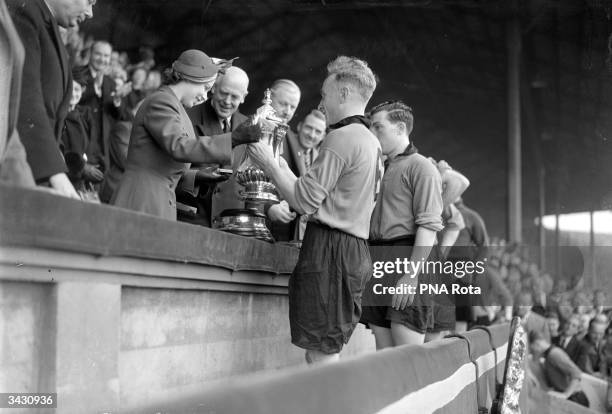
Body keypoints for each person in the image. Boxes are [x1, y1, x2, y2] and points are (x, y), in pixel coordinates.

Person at [247, 56, 381, 364]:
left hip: (331, 250)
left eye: (325, 94)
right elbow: (313, 192)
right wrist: (280, 164)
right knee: (321, 350)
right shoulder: (370, 141)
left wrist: (268, 163)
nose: (322, 103)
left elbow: (304, 201)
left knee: (321, 354)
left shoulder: (341, 137)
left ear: (343, 94)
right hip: (352, 249)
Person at [111, 50, 264, 220]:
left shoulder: (175, 106)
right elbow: (179, 146)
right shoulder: (161, 102)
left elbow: (164, 163)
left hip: (154, 200)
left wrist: (196, 175)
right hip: (141, 200)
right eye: (206, 88)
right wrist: (234, 139)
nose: (205, 96)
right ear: (191, 79)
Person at [361, 100, 444, 349]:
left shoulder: (422, 167)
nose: (373, 134)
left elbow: (428, 227)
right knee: (384, 353)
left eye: (378, 127)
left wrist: (411, 275)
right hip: (378, 258)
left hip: (407, 258)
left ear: (400, 128)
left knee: (406, 353)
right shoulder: (379, 167)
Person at [8, 0, 97, 198]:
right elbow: (24, 97)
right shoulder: (24, 11)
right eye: (89, 1)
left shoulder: (44, 21)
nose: (90, 13)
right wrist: (53, 173)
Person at [175, 66, 250, 226]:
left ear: (244, 97)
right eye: (224, 93)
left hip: (231, 224)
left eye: (235, 96)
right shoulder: (187, 116)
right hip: (191, 219)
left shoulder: (247, 127)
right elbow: (170, 171)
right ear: (213, 87)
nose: (227, 101)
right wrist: (197, 176)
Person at [74, 40, 125, 184]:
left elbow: (118, 116)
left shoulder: (110, 82)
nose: (102, 59)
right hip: (80, 139)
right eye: (98, 54)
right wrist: (95, 87)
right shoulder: (77, 72)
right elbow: (72, 99)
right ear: (90, 54)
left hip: (102, 146)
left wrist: (117, 101)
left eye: (106, 56)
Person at [285, 109, 327, 240]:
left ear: (323, 136)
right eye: (309, 128)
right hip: (280, 223)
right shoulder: (283, 145)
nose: (312, 135)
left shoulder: (322, 160)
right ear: (299, 126)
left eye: (318, 131)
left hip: (304, 234)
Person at [529, 330, 590, 407]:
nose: (532, 352)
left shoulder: (554, 354)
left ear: (536, 344)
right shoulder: (547, 356)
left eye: (532, 349)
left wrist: (565, 394)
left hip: (575, 398)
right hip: (569, 397)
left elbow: (577, 374)